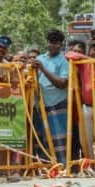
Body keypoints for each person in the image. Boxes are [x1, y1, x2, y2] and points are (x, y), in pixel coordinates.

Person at [32, 29, 70, 165]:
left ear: (60, 44)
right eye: (51, 42)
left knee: (57, 137)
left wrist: (43, 69)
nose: (53, 45)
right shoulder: (40, 58)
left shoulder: (63, 61)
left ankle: (62, 165)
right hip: (39, 103)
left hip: (57, 103)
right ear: (47, 43)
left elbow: (62, 83)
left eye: (56, 43)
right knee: (41, 137)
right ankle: (46, 166)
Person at [68, 38, 95, 161]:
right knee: (85, 138)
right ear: (89, 51)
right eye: (94, 50)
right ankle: (89, 163)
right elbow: (69, 55)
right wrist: (87, 59)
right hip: (86, 107)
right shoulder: (84, 64)